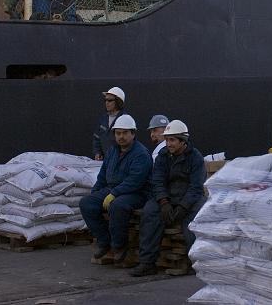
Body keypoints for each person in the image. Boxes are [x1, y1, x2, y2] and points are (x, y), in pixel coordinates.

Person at [130, 120, 205, 277]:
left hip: (189, 199)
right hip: (168, 198)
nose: (168, 143)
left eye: (172, 140)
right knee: (149, 213)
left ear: (182, 141)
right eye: (167, 139)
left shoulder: (196, 158)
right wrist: (163, 202)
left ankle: (194, 262)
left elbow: (196, 187)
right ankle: (147, 263)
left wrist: (183, 207)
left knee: (195, 222)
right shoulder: (162, 156)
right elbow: (157, 182)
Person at [80, 114, 152, 263]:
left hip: (136, 193)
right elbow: (102, 175)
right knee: (86, 203)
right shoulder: (112, 151)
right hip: (113, 189)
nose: (121, 137)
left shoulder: (141, 154)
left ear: (133, 133)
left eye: (125, 133)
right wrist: (95, 193)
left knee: (117, 206)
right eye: (118, 133)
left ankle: (119, 246)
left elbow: (135, 181)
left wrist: (114, 193)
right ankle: (104, 241)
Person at [93, 86, 126, 161]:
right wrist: (97, 153)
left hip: (120, 162)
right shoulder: (103, 119)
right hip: (105, 162)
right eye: (105, 100)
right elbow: (96, 138)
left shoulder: (125, 120)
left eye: (110, 100)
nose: (106, 103)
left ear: (118, 102)